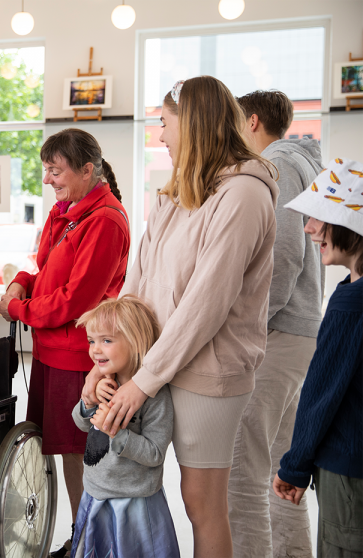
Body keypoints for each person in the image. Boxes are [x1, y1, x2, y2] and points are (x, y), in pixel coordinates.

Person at [86, 76, 279, 558]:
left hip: (207, 372)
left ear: (192, 124)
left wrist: (142, 381)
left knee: (201, 501)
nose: (160, 136)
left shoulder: (243, 196)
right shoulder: (174, 194)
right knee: (140, 485)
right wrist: (107, 358)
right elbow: (137, 286)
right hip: (153, 367)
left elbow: (204, 305)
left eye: (165, 123)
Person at [0, 128, 130, 557]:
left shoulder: (105, 220)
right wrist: (21, 282)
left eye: (56, 171)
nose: (49, 180)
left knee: (82, 455)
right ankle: (83, 536)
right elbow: (49, 275)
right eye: (47, 171)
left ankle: (90, 542)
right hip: (53, 353)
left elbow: (77, 300)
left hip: (78, 356)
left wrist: (18, 309)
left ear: (88, 170)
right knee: (67, 453)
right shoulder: (71, 212)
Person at [228, 90, 325, 558]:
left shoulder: (279, 168)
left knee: (242, 469)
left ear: (250, 122)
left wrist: (252, 323)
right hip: (297, 333)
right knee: (281, 475)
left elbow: (284, 255)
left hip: (279, 333)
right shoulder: (298, 164)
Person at [273, 158, 363, 558]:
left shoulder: (350, 303)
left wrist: (294, 466)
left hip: (348, 472)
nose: (309, 229)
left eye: (319, 218)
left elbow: (322, 396)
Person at [70, 296, 180, 558]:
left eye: (106, 341)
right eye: (92, 341)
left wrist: (117, 434)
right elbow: (82, 425)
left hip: (134, 503)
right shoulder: (104, 382)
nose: (96, 349)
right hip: (95, 492)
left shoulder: (155, 396)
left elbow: (155, 454)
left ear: (135, 342)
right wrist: (89, 402)